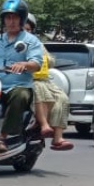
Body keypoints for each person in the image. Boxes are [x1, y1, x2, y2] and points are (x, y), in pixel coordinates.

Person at [0, 0, 43, 153]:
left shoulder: (30, 41)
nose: (11, 21)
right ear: (3, 19)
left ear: (22, 19)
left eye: (15, 17)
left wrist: (24, 65)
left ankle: (3, 137)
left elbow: (36, 64)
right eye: (8, 17)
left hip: (17, 86)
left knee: (21, 96)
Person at [25, 15, 74, 151]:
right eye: (24, 29)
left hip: (43, 79)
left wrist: (44, 58)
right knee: (40, 88)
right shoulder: (15, 44)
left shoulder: (37, 44)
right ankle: (44, 125)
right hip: (26, 80)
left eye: (29, 29)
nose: (26, 32)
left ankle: (58, 137)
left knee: (62, 98)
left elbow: (51, 61)